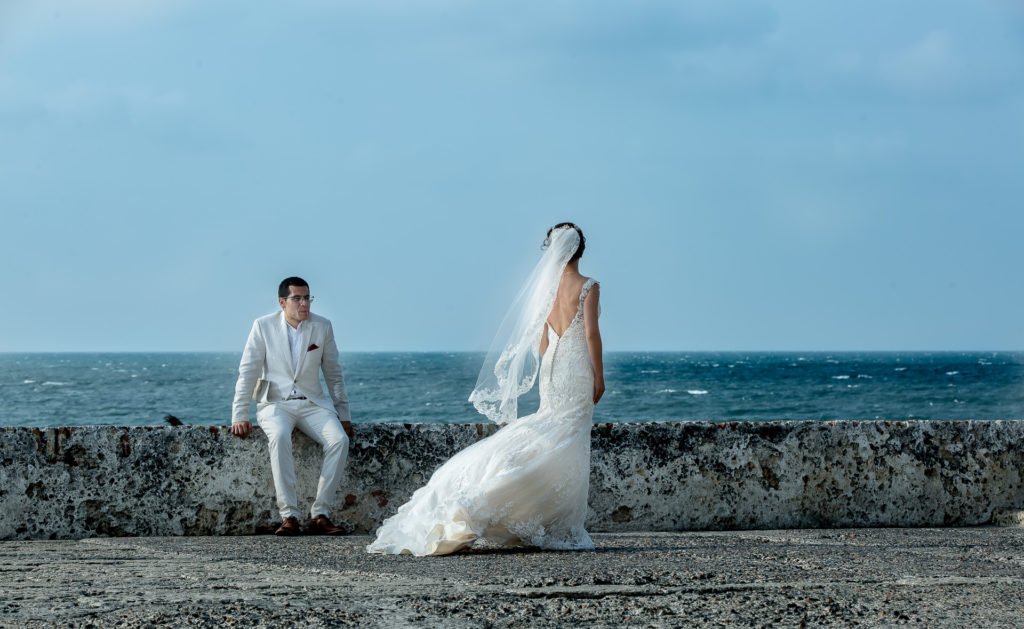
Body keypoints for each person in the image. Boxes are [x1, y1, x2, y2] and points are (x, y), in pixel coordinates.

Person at [367, 223, 604, 556]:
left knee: (548, 428)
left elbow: (540, 337)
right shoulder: (589, 286)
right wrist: (599, 375)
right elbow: (592, 334)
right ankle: (529, 509)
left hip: (552, 364)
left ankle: (529, 509)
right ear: (581, 250)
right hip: (576, 364)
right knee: (568, 435)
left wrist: (548, 365)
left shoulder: (546, 288)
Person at [231, 277, 354, 536]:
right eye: (297, 298)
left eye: (307, 297)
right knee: (278, 436)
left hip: (312, 403)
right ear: (282, 302)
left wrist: (343, 414)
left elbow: (334, 373)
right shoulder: (262, 326)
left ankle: (320, 514)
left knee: (339, 441)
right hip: (275, 403)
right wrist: (240, 414)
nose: (304, 303)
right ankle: (289, 516)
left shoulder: (322, 326)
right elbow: (248, 372)